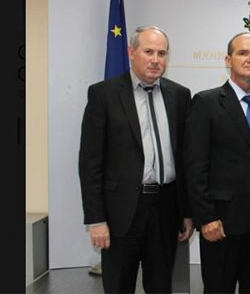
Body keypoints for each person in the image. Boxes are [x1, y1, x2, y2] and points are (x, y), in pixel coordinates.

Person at [78, 25, 194, 293]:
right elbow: (90, 162)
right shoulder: (103, 95)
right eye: (148, 52)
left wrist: (187, 212)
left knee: (161, 285)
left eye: (162, 53)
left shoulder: (180, 95)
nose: (155, 59)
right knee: (119, 285)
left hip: (166, 208)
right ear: (131, 53)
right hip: (121, 212)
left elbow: (185, 158)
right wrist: (96, 219)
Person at [185, 32, 250, 293]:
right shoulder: (206, 102)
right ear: (228, 60)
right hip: (221, 223)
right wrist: (206, 217)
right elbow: (195, 165)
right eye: (243, 53)